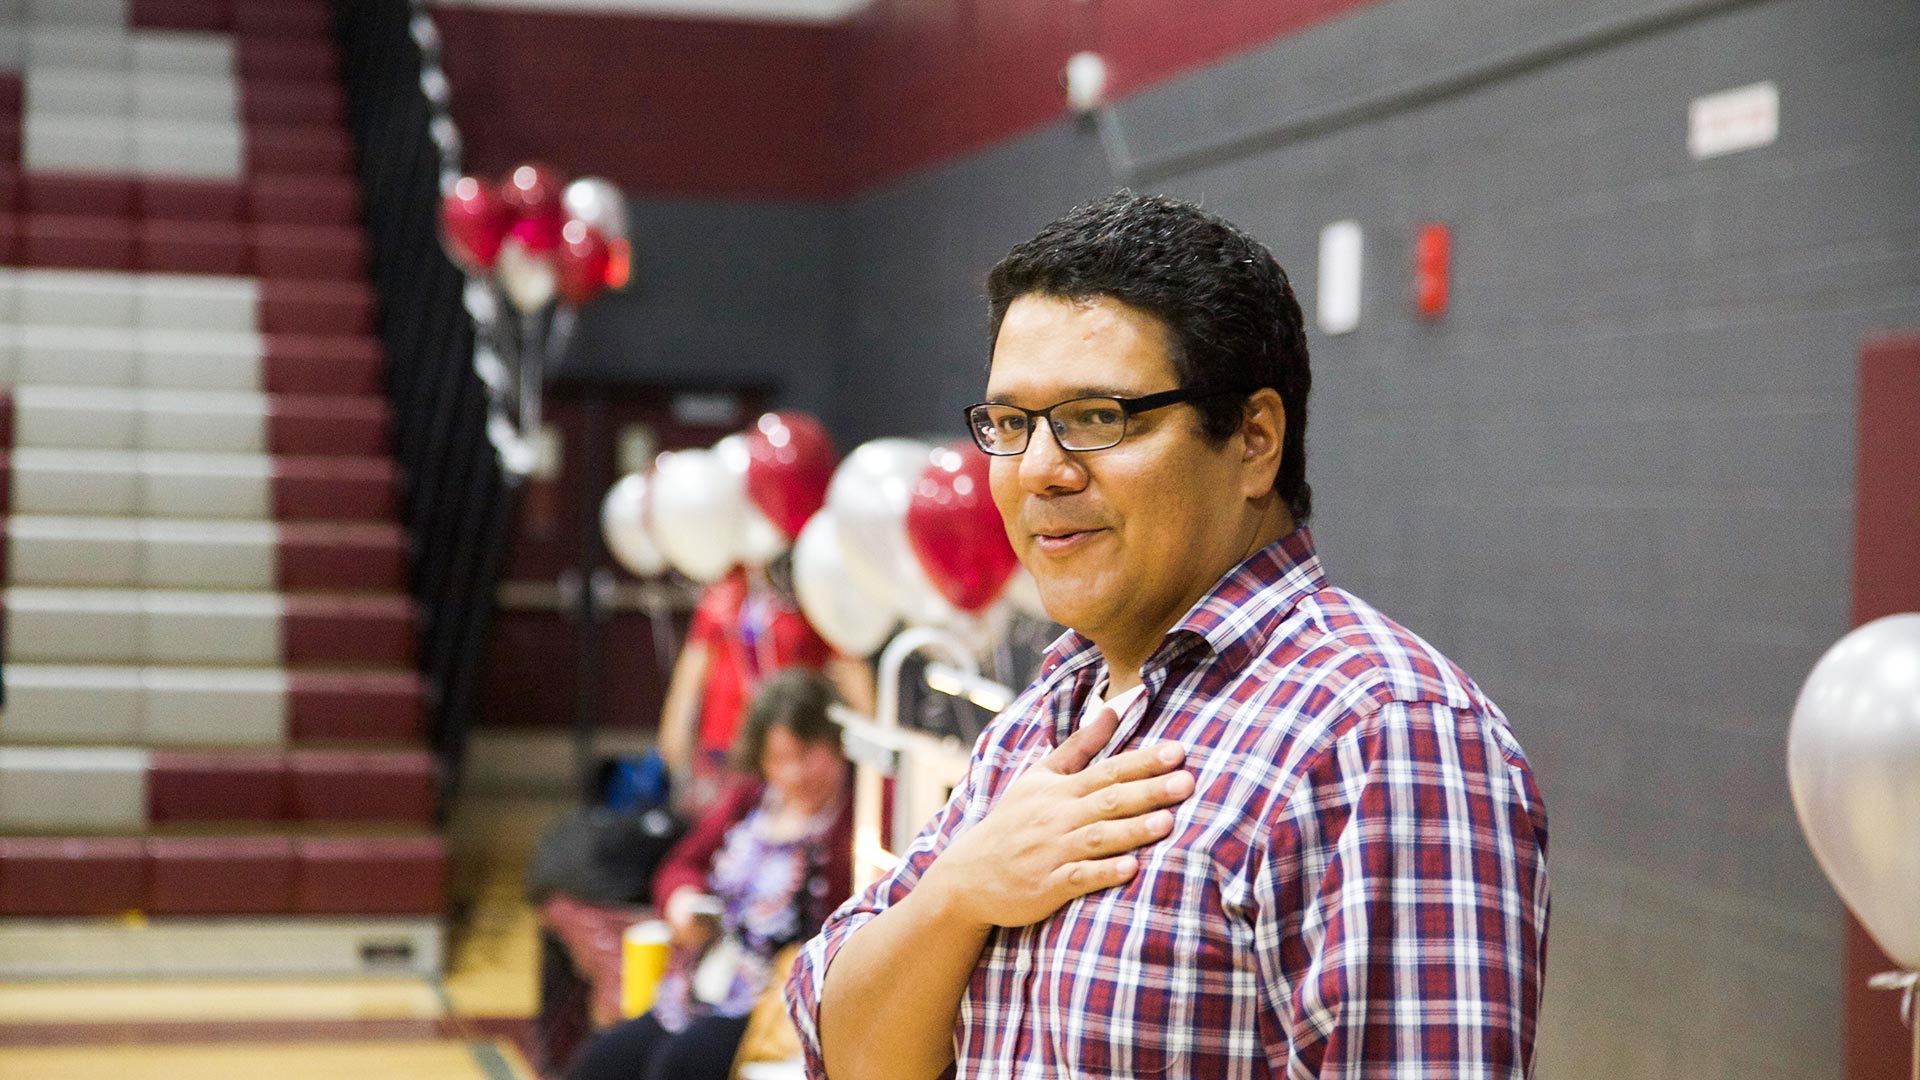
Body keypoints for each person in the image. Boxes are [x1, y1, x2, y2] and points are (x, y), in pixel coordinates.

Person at [786, 192, 1550, 1079]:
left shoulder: (1385, 739)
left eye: (1098, 417)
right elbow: (844, 1052)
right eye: (1011, 423)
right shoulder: (1042, 720)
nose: (1038, 470)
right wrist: (959, 893)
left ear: (1255, 439)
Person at [571, 669, 855, 1080]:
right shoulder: (751, 801)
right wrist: (685, 901)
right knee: (599, 1064)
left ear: (836, 744)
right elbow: (681, 865)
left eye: (807, 754)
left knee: (674, 1068)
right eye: (779, 759)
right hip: (704, 981)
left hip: (773, 1003)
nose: (794, 773)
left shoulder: (858, 818)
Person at [658, 559, 873, 811]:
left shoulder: (811, 591)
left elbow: (850, 669)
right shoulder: (725, 591)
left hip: (790, 749)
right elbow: (691, 673)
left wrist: (872, 752)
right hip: (725, 746)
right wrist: (674, 742)